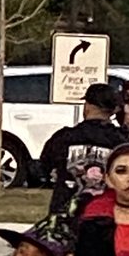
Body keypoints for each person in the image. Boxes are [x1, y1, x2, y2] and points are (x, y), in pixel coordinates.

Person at [40, 82, 122, 216]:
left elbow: (44, 167)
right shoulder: (121, 142)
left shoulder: (64, 138)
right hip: (106, 216)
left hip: (65, 215)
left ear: (87, 106)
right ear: (112, 110)